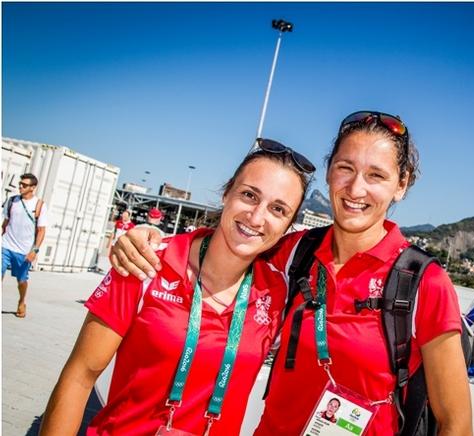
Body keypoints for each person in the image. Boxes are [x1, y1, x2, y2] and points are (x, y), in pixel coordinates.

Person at [111, 110, 473, 435]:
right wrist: (150, 239)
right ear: (330, 170)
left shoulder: (423, 282)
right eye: (345, 168)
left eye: (376, 175)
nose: (356, 188)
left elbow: (455, 423)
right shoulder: (294, 252)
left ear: (401, 185)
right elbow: (235, 239)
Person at [39, 139, 315, 435]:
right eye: (249, 195)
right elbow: (79, 377)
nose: (257, 217)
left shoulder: (278, 293)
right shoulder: (145, 263)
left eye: (278, 209)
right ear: (226, 193)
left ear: (289, 226)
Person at [2, 173, 48, 318]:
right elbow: (5, 224)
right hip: (5, 246)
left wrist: (34, 251)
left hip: (24, 251)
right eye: (20, 183)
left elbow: (41, 231)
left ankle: (22, 301)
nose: (20, 186)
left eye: (25, 185)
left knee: (21, 280)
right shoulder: (12, 201)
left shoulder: (39, 205)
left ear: (33, 187)